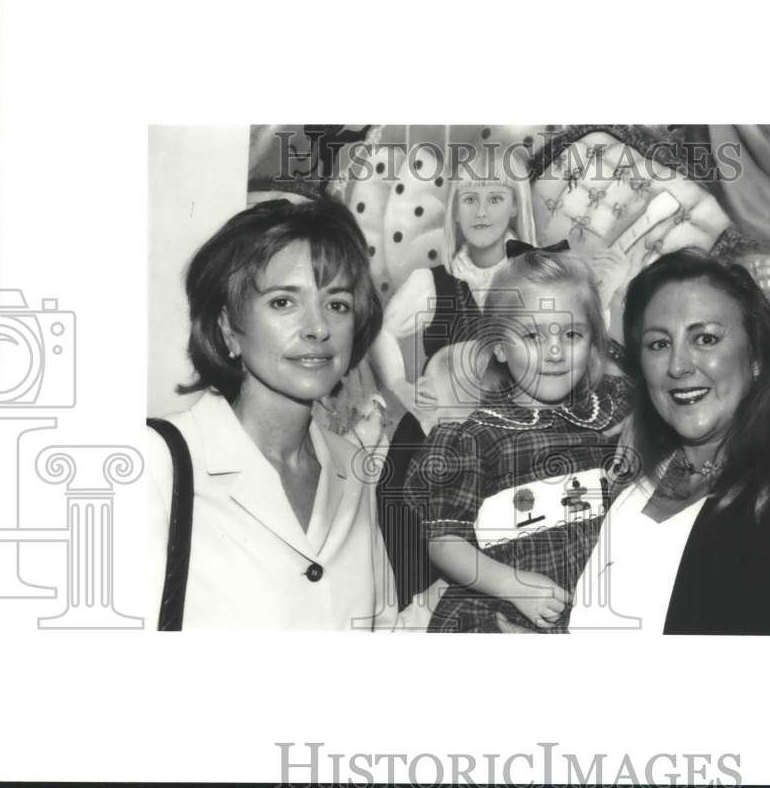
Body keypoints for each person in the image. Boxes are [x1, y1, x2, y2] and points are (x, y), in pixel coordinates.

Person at [146, 198, 436, 629]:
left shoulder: (357, 471)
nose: (318, 327)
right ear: (227, 327)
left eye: (337, 304)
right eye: (284, 302)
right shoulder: (155, 463)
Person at [567, 247, 770, 635]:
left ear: (757, 360)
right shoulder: (635, 476)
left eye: (705, 338)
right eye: (658, 344)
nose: (678, 366)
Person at [405, 245, 633, 632]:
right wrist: (512, 586)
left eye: (573, 333)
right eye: (532, 335)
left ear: (594, 341)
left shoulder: (605, 411)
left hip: (587, 619)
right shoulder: (476, 437)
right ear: (498, 347)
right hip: (498, 616)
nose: (556, 351)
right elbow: (444, 541)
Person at [371, 145, 537, 607]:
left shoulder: (537, 277)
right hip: (434, 442)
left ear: (515, 208)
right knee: (413, 539)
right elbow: (381, 332)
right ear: (456, 208)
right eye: (470, 198)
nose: (481, 211)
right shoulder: (432, 282)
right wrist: (401, 386)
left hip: (508, 444)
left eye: (495, 198)